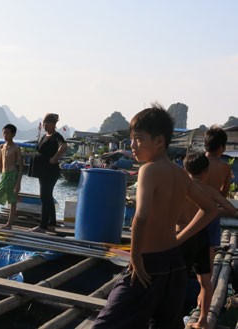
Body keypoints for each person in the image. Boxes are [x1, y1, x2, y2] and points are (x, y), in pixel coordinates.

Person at [92, 104, 218, 329]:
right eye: (131, 139)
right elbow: (210, 209)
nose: (132, 145)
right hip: (175, 266)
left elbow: (140, 217)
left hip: (148, 264)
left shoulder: (148, 170)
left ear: (159, 141)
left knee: (106, 324)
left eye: (138, 139)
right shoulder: (181, 174)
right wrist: (180, 239)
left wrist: (136, 258)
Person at [177, 152, 237, 329]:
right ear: (205, 172)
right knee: (205, 281)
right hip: (201, 237)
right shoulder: (209, 191)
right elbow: (231, 210)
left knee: (177, 280)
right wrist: (215, 211)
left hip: (182, 237)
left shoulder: (181, 189)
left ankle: (174, 318)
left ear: (184, 169)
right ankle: (202, 320)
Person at [29, 113, 67, 233]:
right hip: (43, 171)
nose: (45, 125)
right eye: (44, 123)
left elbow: (64, 146)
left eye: (47, 123)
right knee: (47, 196)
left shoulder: (56, 136)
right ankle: (51, 223)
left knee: (44, 196)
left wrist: (55, 158)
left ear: (53, 124)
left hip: (50, 171)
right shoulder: (45, 135)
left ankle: (43, 226)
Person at [204, 125, 233, 263]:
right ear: (222, 147)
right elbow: (223, 194)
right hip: (211, 213)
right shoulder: (225, 168)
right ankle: (207, 281)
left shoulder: (194, 161)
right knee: (209, 251)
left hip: (191, 211)